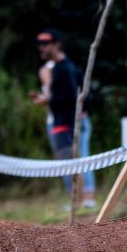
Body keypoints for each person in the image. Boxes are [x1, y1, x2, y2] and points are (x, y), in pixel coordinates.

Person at [28, 28, 96, 206]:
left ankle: (85, 200)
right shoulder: (61, 67)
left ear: (56, 45)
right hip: (64, 122)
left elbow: (75, 97)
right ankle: (77, 200)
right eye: (40, 45)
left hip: (70, 123)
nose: (42, 48)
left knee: (79, 160)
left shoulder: (65, 68)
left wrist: (49, 99)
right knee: (70, 161)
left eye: (46, 44)